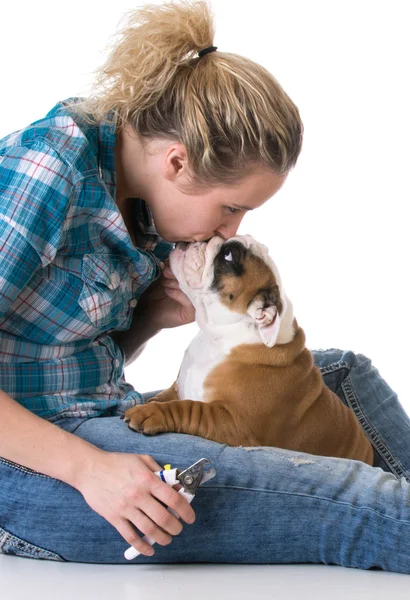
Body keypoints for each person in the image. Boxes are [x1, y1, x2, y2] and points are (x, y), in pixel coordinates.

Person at [1, 0, 410, 573]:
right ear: (177, 162)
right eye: (231, 208)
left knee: (343, 373)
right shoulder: (46, 172)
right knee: (340, 498)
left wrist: (148, 320)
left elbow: (62, 357)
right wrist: (89, 469)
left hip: (100, 413)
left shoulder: (137, 192)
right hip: (31, 466)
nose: (231, 230)